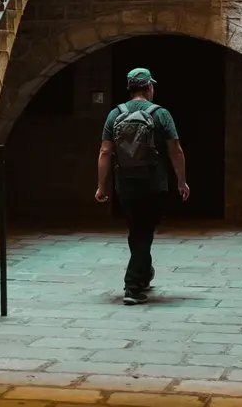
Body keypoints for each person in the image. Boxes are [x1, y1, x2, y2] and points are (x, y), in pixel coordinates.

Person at [95, 67, 189, 305]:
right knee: (143, 230)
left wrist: (101, 186)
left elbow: (105, 151)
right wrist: (181, 180)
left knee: (137, 228)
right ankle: (133, 287)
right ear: (149, 87)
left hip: (125, 182)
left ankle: (144, 274)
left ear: (130, 88)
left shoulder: (114, 114)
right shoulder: (161, 114)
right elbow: (175, 150)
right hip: (153, 182)